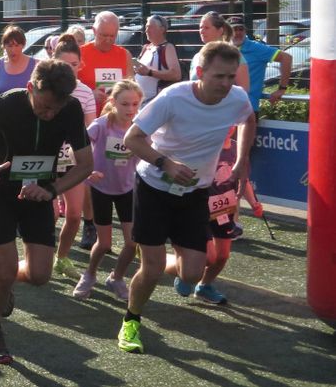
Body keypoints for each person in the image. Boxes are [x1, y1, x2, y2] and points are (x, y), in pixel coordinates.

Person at [117, 41, 256, 355]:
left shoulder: (236, 98)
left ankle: (176, 267)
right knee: (150, 270)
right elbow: (132, 139)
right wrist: (165, 163)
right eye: (219, 76)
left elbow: (248, 119)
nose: (226, 84)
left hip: (194, 192)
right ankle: (131, 320)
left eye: (231, 77)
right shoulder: (173, 98)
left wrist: (240, 159)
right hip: (153, 187)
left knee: (193, 273)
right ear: (200, 72)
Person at [0, 59, 94, 364]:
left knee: (40, 275)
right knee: (6, 273)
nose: (49, 115)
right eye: (44, 107)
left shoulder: (69, 109)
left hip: (39, 195)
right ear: (31, 88)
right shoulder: (6, 104)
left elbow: (86, 164)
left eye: (55, 110)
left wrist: (52, 190)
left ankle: (1, 273)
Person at [73, 80, 142, 301]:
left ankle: (117, 277)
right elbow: (78, 149)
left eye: (134, 104)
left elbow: (148, 154)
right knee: (103, 244)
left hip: (127, 189)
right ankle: (90, 274)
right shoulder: (101, 125)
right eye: (125, 104)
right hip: (101, 188)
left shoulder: (140, 127)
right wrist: (87, 171)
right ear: (113, 103)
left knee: (132, 243)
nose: (130, 109)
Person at [49, 34, 98, 279]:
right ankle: (42, 255)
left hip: (72, 161)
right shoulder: (42, 89)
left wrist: (88, 162)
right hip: (45, 161)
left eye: (74, 65)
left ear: (81, 66)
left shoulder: (86, 93)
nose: (70, 70)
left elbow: (89, 132)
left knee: (75, 214)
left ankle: (62, 257)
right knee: (48, 214)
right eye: (64, 65)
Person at [229, 15, 292, 106]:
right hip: (226, 106)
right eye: (234, 29)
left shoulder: (256, 48)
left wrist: (282, 89)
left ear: (245, 31)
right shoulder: (224, 49)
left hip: (248, 107)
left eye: (241, 29)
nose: (238, 32)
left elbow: (286, 58)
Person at [78, 11, 135, 110]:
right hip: (86, 116)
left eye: (112, 36)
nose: (108, 40)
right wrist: (90, 95)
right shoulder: (79, 54)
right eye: (104, 35)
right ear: (94, 31)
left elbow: (131, 88)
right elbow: (68, 87)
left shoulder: (124, 55)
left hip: (115, 117)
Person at [134, 15, 181, 105]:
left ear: (162, 29)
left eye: (150, 27)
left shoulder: (167, 48)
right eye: (146, 27)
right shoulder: (146, 48)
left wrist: (149, 72)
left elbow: (176, 75)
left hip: (154, 103)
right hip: (139, 103)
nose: (146, 30)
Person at [0, 25, 36, 98]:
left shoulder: (36, 64)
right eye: (9, 46)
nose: (13, 50)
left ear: (23, 44)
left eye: (17, 45)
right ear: (4, 46)